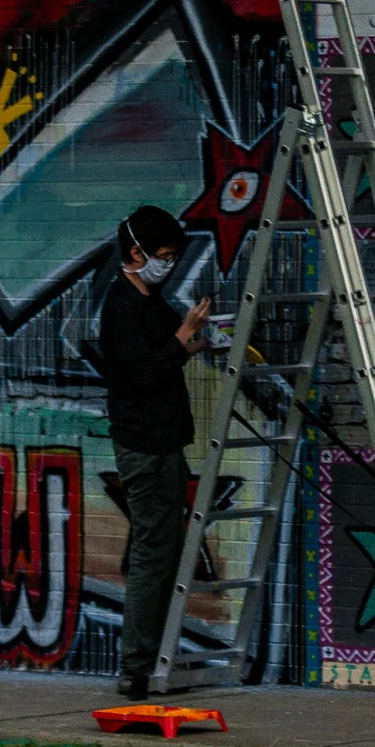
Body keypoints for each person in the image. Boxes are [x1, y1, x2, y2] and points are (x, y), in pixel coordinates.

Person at [97, 205, 210, 699]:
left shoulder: (150, 300)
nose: (168, 264)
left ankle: (154, 657)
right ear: (136, 253)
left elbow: (161, 357)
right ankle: (136, 665)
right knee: (150, 552)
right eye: (162, 256)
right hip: (142, 447)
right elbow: (138, 375)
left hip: (164, 441)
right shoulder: (120, 305)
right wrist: (182, 337)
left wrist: (189, 343)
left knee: (163, 551)